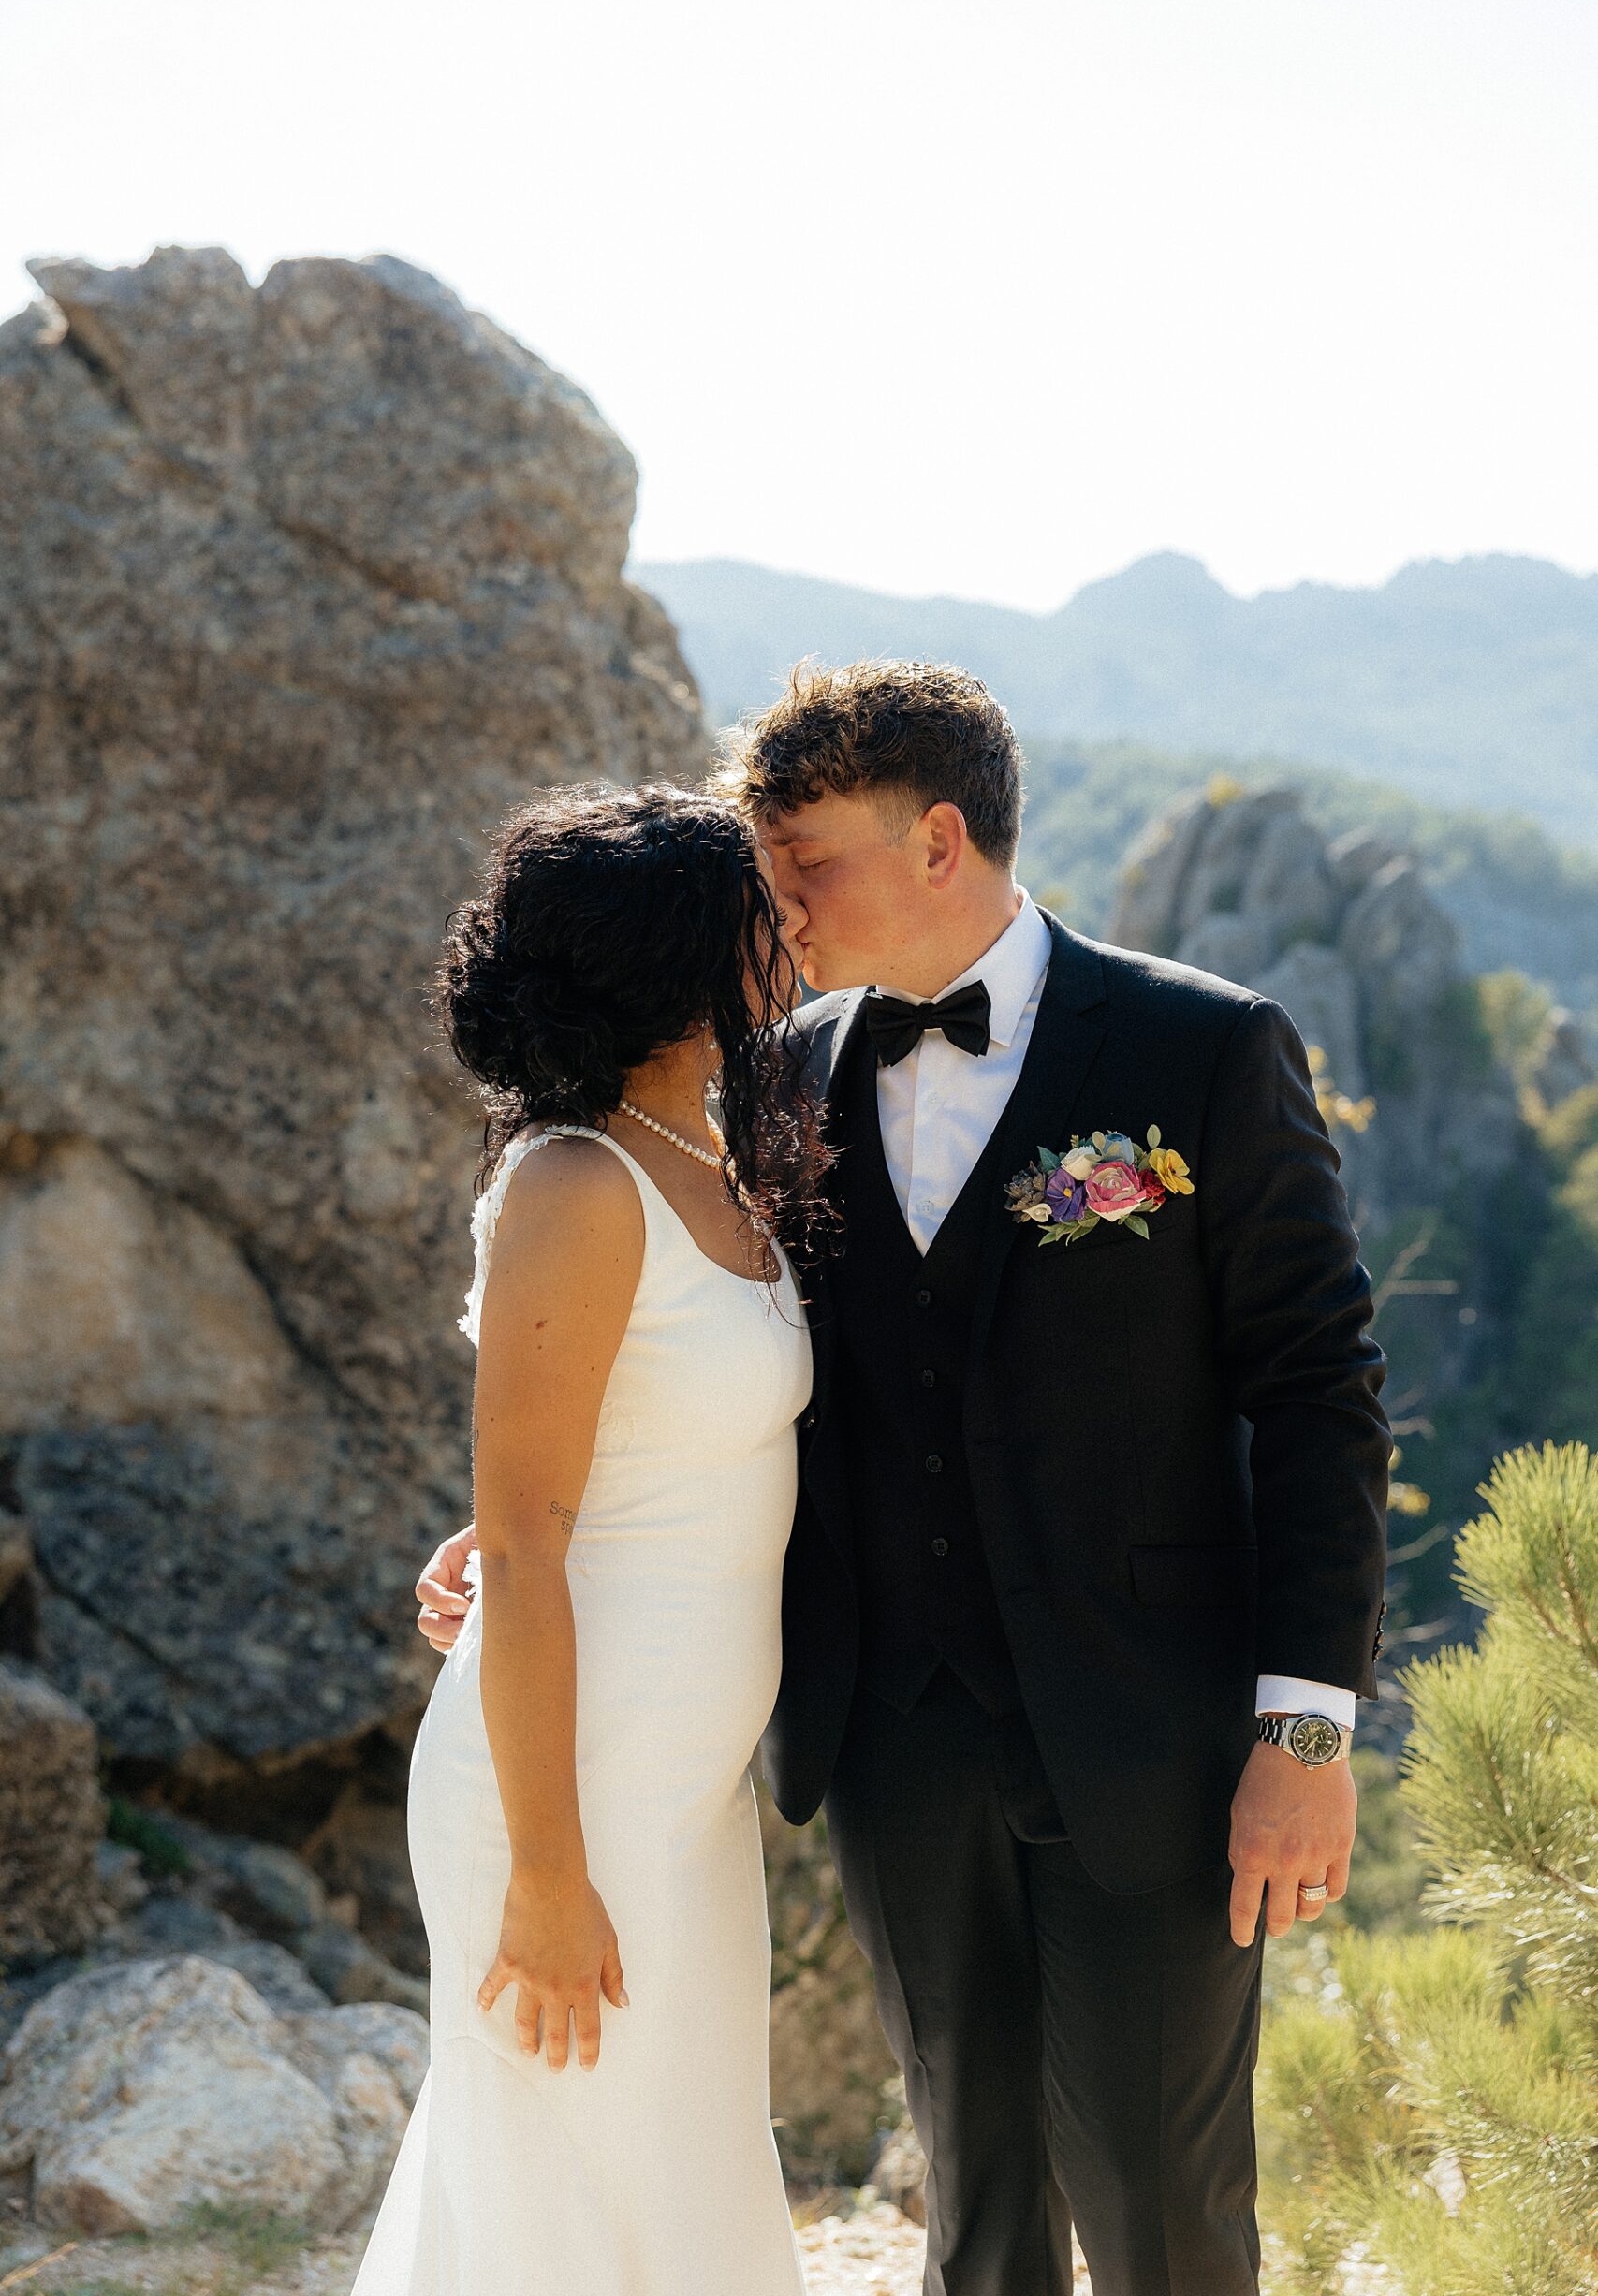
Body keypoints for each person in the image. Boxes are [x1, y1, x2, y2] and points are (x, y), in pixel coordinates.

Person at [418, 664, 1390, 2296]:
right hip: (893, 1746)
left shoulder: (1205, 1051)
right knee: (977, 2212)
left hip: (1150, 1734)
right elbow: (695, 1357)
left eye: (803, 866)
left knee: (1166, 2215)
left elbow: (1317, 1395)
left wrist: (1305, 1730)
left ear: (940, 840)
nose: (777, 909)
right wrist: (523, 1535)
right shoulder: (768, 1079)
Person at [354, 783, 828, 2296]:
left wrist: (501, 1529)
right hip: (564, 1796)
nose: (797, 920)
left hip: (678, 1789)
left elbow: (614, 1453)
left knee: (675, 2172)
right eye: (767, 903)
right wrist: (548, 1878)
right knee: (559, 2192)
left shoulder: (712, 1152)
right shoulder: (577, 1179)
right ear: (686, 953)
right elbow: (534, 1541)